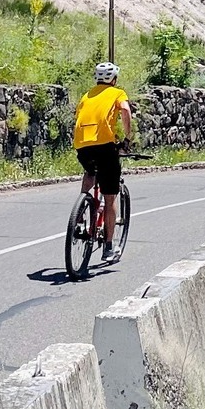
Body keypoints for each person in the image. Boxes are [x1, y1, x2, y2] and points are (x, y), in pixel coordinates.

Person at [73, 61, 135, 265]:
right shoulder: (117, 93)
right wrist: (127, 138)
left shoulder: (87, 95)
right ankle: (108, 246)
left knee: (90, 172)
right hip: (105, 147)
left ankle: (79, 216)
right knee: (110, 197)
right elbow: (125, 110)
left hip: (82, 145)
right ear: (114, 79)